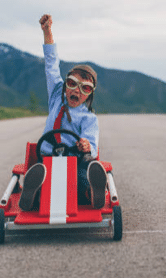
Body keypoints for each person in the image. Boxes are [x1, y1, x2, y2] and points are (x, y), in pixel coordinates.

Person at [19, 14, 107, 211]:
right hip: (47, 158)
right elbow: (51, 65)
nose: (76, 90)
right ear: (65, 85)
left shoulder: (89, 119)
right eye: (72, 84)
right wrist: (47, 32)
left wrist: (86, 146)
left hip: (74, 163)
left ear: (89, 95)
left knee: (80, 178)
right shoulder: (56, 98)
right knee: (42, 175)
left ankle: (93, 192)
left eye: (84, 88)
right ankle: (31, 195)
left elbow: (92, 145)